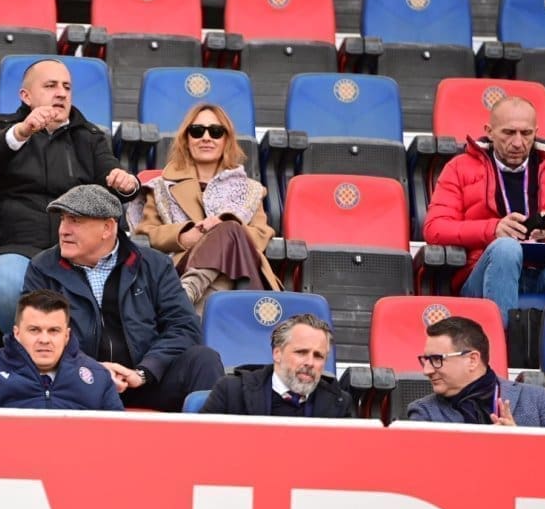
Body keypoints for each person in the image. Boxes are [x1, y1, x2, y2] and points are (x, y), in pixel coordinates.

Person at [0, 58, 141, 335]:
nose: (61, 93)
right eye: (51, 86)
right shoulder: (5, 127)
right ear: (26, 96)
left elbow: (113, 185)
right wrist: (23, 130)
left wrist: (126, 184)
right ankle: (21, 350)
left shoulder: (90, 136)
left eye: (67, 87)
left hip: (80, 250)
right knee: (7, 284)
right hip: (18, 247)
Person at [23, 185, 225, 412]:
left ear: (107, 228)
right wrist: (92, 370)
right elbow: (34, 335)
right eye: (62, 220)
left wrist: (145, 371)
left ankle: (210, 435)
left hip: (147, 379)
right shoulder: (43, 268)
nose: (63, 230)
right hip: (78, 382)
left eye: (75, 221)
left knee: (204, 359)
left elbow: (183, 327)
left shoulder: (154, 265)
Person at [423, 96, 545, 326]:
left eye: (526, 133)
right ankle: (500, 342)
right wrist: (493, 229)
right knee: (506, 248)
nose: (518, 142)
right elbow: (434, 229)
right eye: (509, 133)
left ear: (536, 132)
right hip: (486, 273)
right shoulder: (459, 167)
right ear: (489, 132)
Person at [129, 103, 280, 316]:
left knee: (228, 229)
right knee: (228, 235)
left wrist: (221, 230)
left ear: (226, 140)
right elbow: (147, 232)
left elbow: (261, 234)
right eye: (197, 131)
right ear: (187, 139)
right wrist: (185, 235)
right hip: (184, 267)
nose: (206, 138)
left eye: (216, 132)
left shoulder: (251, 190)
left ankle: (185, 298)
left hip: (240, 271)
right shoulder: (161, 187)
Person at [0, 290, 123, 409]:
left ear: (66, 335)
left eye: (54, 331)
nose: (44, 340)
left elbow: (117, 438)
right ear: (17, 333)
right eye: (34, 330)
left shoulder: (99, 377)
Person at [407, 316, 545, 427]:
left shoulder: (537, 399)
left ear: (472, 360)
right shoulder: (423, 412)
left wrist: (519, 444)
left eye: (436, 359)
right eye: (425, 360)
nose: (426, 370)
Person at [200, 313, 351, 417]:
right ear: (277, 353)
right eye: (301, 352)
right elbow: (199, 445)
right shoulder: (231, 391)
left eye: (318, 356)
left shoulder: (339, 403)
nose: (310, 362)